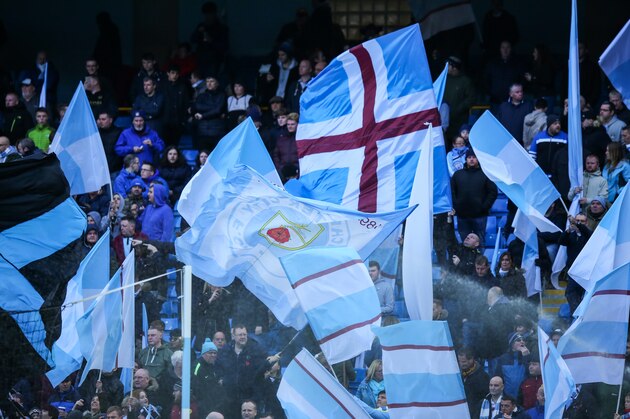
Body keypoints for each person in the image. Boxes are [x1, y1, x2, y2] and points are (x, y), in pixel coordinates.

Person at [216, 324, 274, 417]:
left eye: (244, 334)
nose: (243, 337)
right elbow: (218, 365)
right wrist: (221, 378)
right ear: (233, 336)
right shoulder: (226, 350)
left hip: (251, 396)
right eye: (240, 335)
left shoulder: (256, 349)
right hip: (231, 397)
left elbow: (263, 366)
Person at [451, 149, 498, 245]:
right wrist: (457, 206)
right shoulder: (457, 175)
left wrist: (484, 207)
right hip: (462, 216)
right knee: (465, 244)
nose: (472, 159)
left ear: (478, 159)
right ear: (466, 159)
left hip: (480, 216)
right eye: (469, 157)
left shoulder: (485, 174)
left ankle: (480, 261)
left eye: (474, 157)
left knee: (479, 243)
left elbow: (493, 192)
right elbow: (451, 192)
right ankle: (466, 261)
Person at [443, 56, 476, 140]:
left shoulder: (465, 81)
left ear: (454, 67)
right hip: (445, 121)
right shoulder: (444, 79)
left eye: (448, 65)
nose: (446, 67)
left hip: (459, 121)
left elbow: (471, 99)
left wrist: (458, 109)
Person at [191, 76, 226, 152]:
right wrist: (213, 108)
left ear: (217, 83)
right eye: (207, 81)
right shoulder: (201, 96)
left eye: (212, 81)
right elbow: (196, 107)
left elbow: (218, 110)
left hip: (217, 131)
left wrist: (203, 115)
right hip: (202, 132)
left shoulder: (222, 95)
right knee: (203, 157)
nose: (209, 84)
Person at [192, 339, 225, 416]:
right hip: (202, 405)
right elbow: (194, 385)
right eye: (210, 353)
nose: (213, 355)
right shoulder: (197, 366)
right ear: (203, 353)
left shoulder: (215, 365)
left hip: (215, 404)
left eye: (215, 353)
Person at [458, 346, 490, 415]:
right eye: (459, 361)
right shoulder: (457, 374)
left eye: (463, 362)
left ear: (471, 359)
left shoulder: (483, 377)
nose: (461, 364)